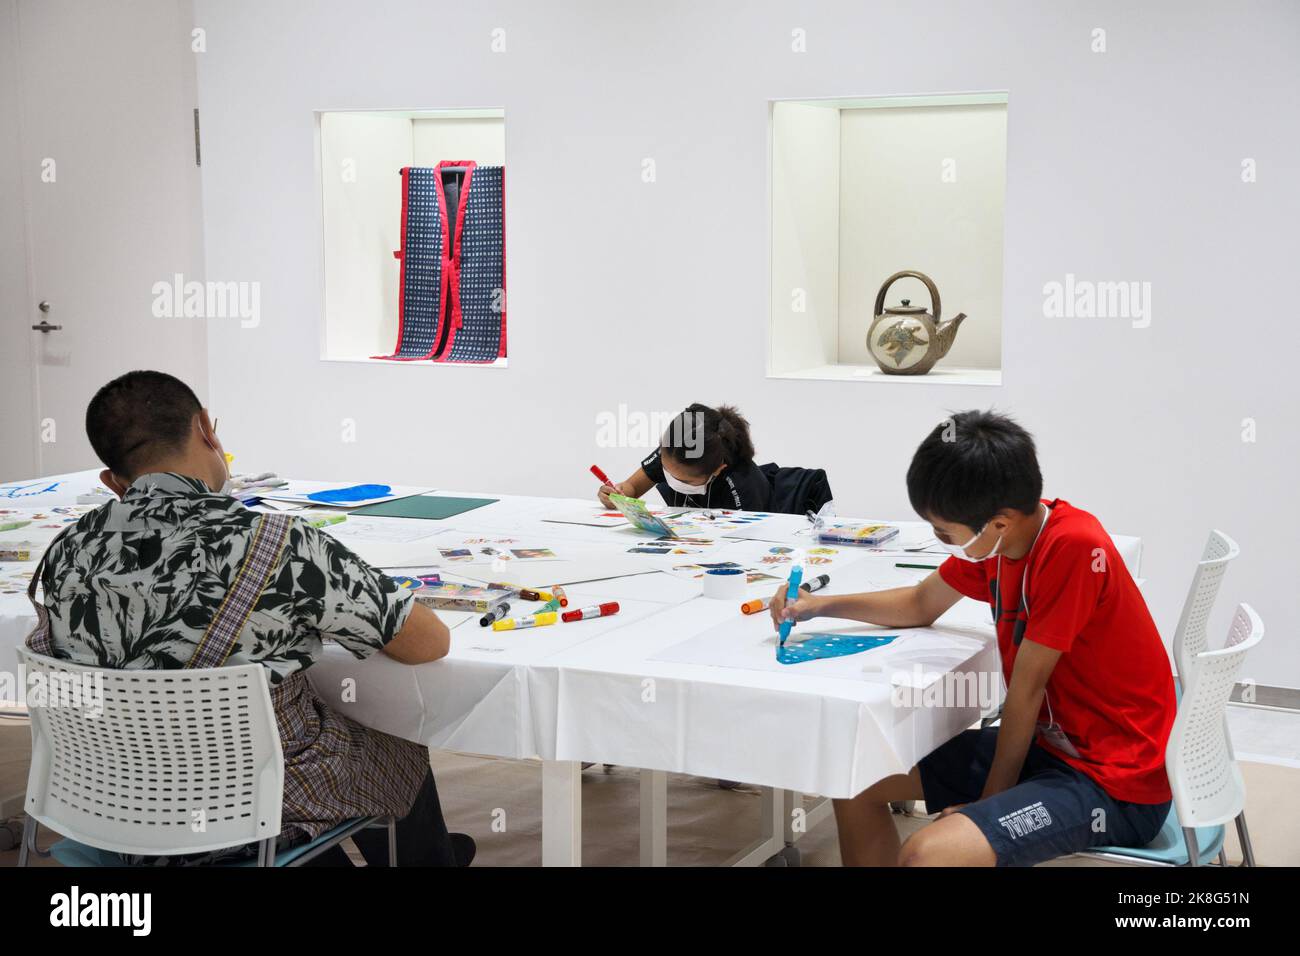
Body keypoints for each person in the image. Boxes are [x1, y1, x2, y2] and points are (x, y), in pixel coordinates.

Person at [27, 370, 473, 866]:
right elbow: (425, 644)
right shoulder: (280, 543)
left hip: (112, 797)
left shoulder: (68, 546)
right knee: (386, 734)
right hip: (243, 809)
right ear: (206, 430)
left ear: (113, 482)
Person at [771, 410, 1175, 866]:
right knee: (850, 776)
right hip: (1053, 750)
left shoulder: (1073, 548)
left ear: (997, 523)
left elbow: (1024, 693)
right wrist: (816, 605)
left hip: (1113, 782)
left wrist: (988, 804)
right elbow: (921, 603)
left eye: (945, 532)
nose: (942, 540)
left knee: (928, 854)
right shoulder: (1007, 540)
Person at [597, 403, 772, 511]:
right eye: (665, 470)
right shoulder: (674, 452)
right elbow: (632, 488)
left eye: (685, 482)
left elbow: (747, 544)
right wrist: (617, 497)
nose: (672, 481)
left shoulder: (743, 484)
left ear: (718, 469)